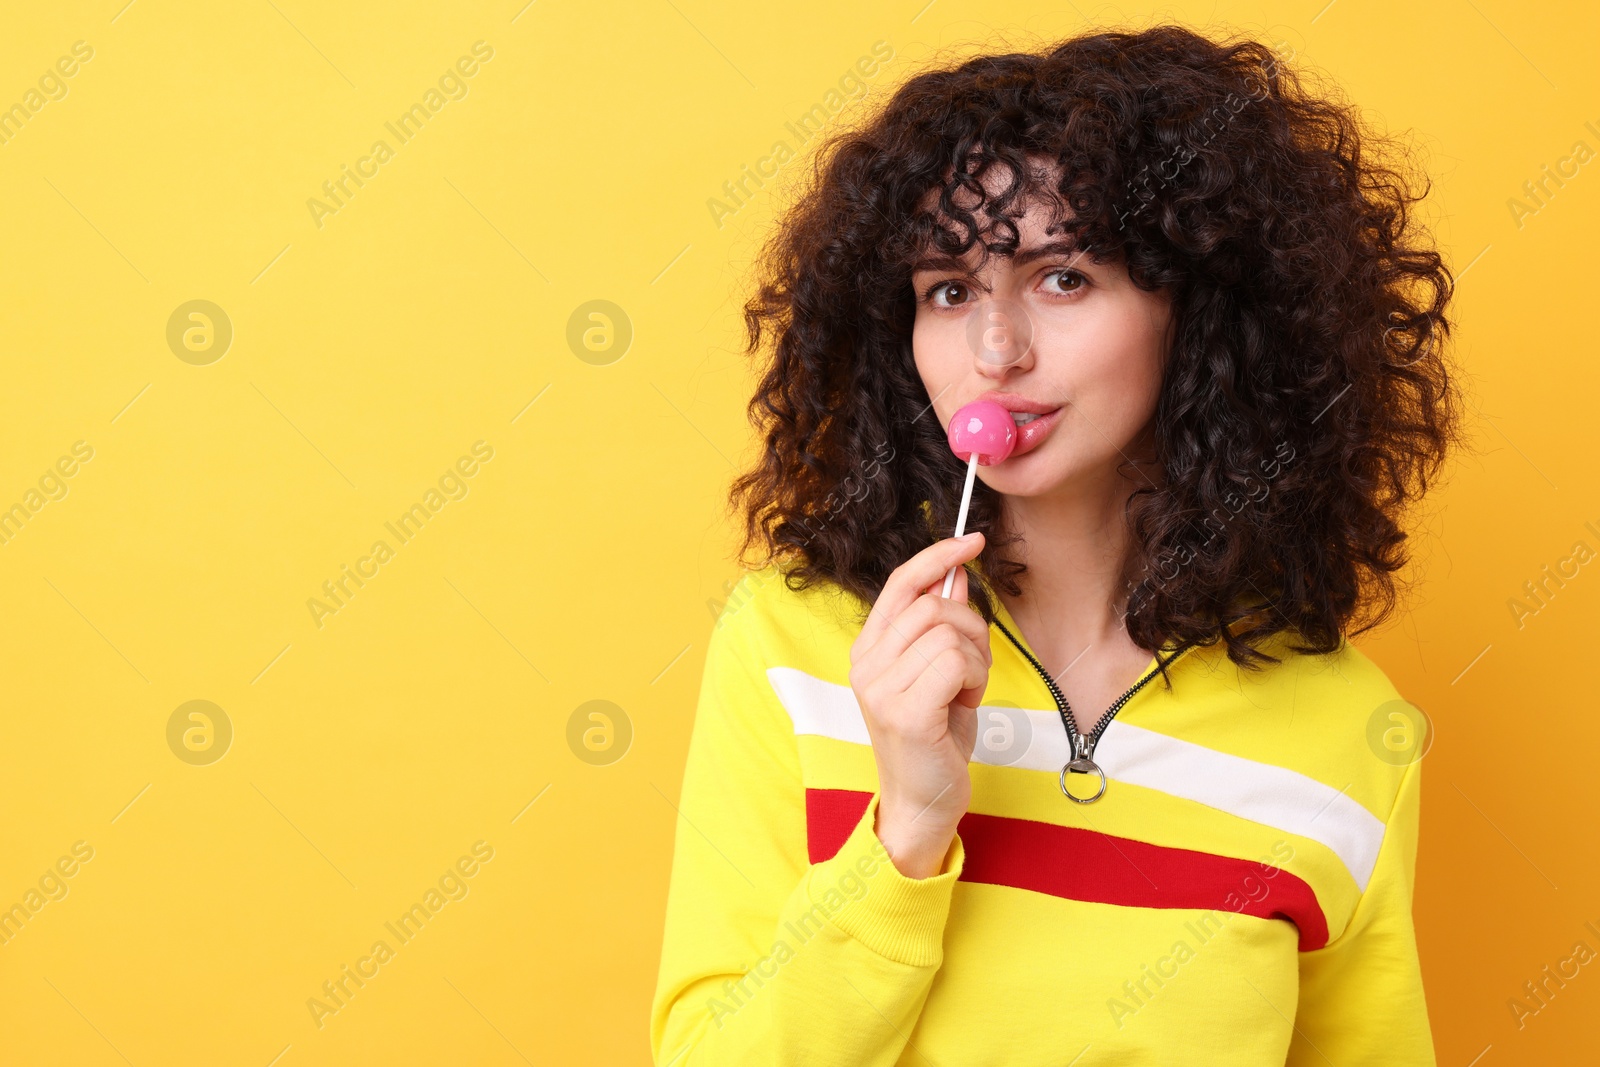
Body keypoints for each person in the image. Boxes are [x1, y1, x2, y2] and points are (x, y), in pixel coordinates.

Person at [651, 23, 1458, 1066]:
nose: (996, 349)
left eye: (1062, 277)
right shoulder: (792, 649)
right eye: (947, 289)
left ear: (1202, 313)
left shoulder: (1352, 730)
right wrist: (906, 829)